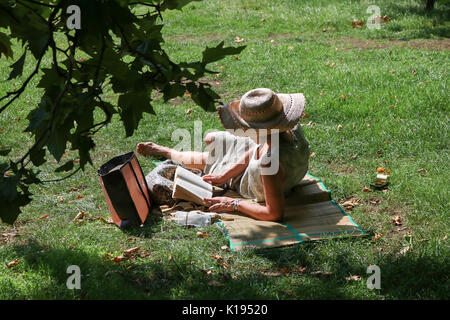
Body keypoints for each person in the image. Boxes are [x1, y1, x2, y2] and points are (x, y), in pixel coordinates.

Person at [137, 88, 310, 221]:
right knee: (211, 139)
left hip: (252, 182)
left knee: (207, 159)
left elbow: (274, 213)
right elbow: (257, 149)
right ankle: (181, 155)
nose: (242, 130)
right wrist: (224, 175)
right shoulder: (290, 129)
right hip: (274, 165)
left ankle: (167, 152)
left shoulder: (270, 163)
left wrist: (235, 204)